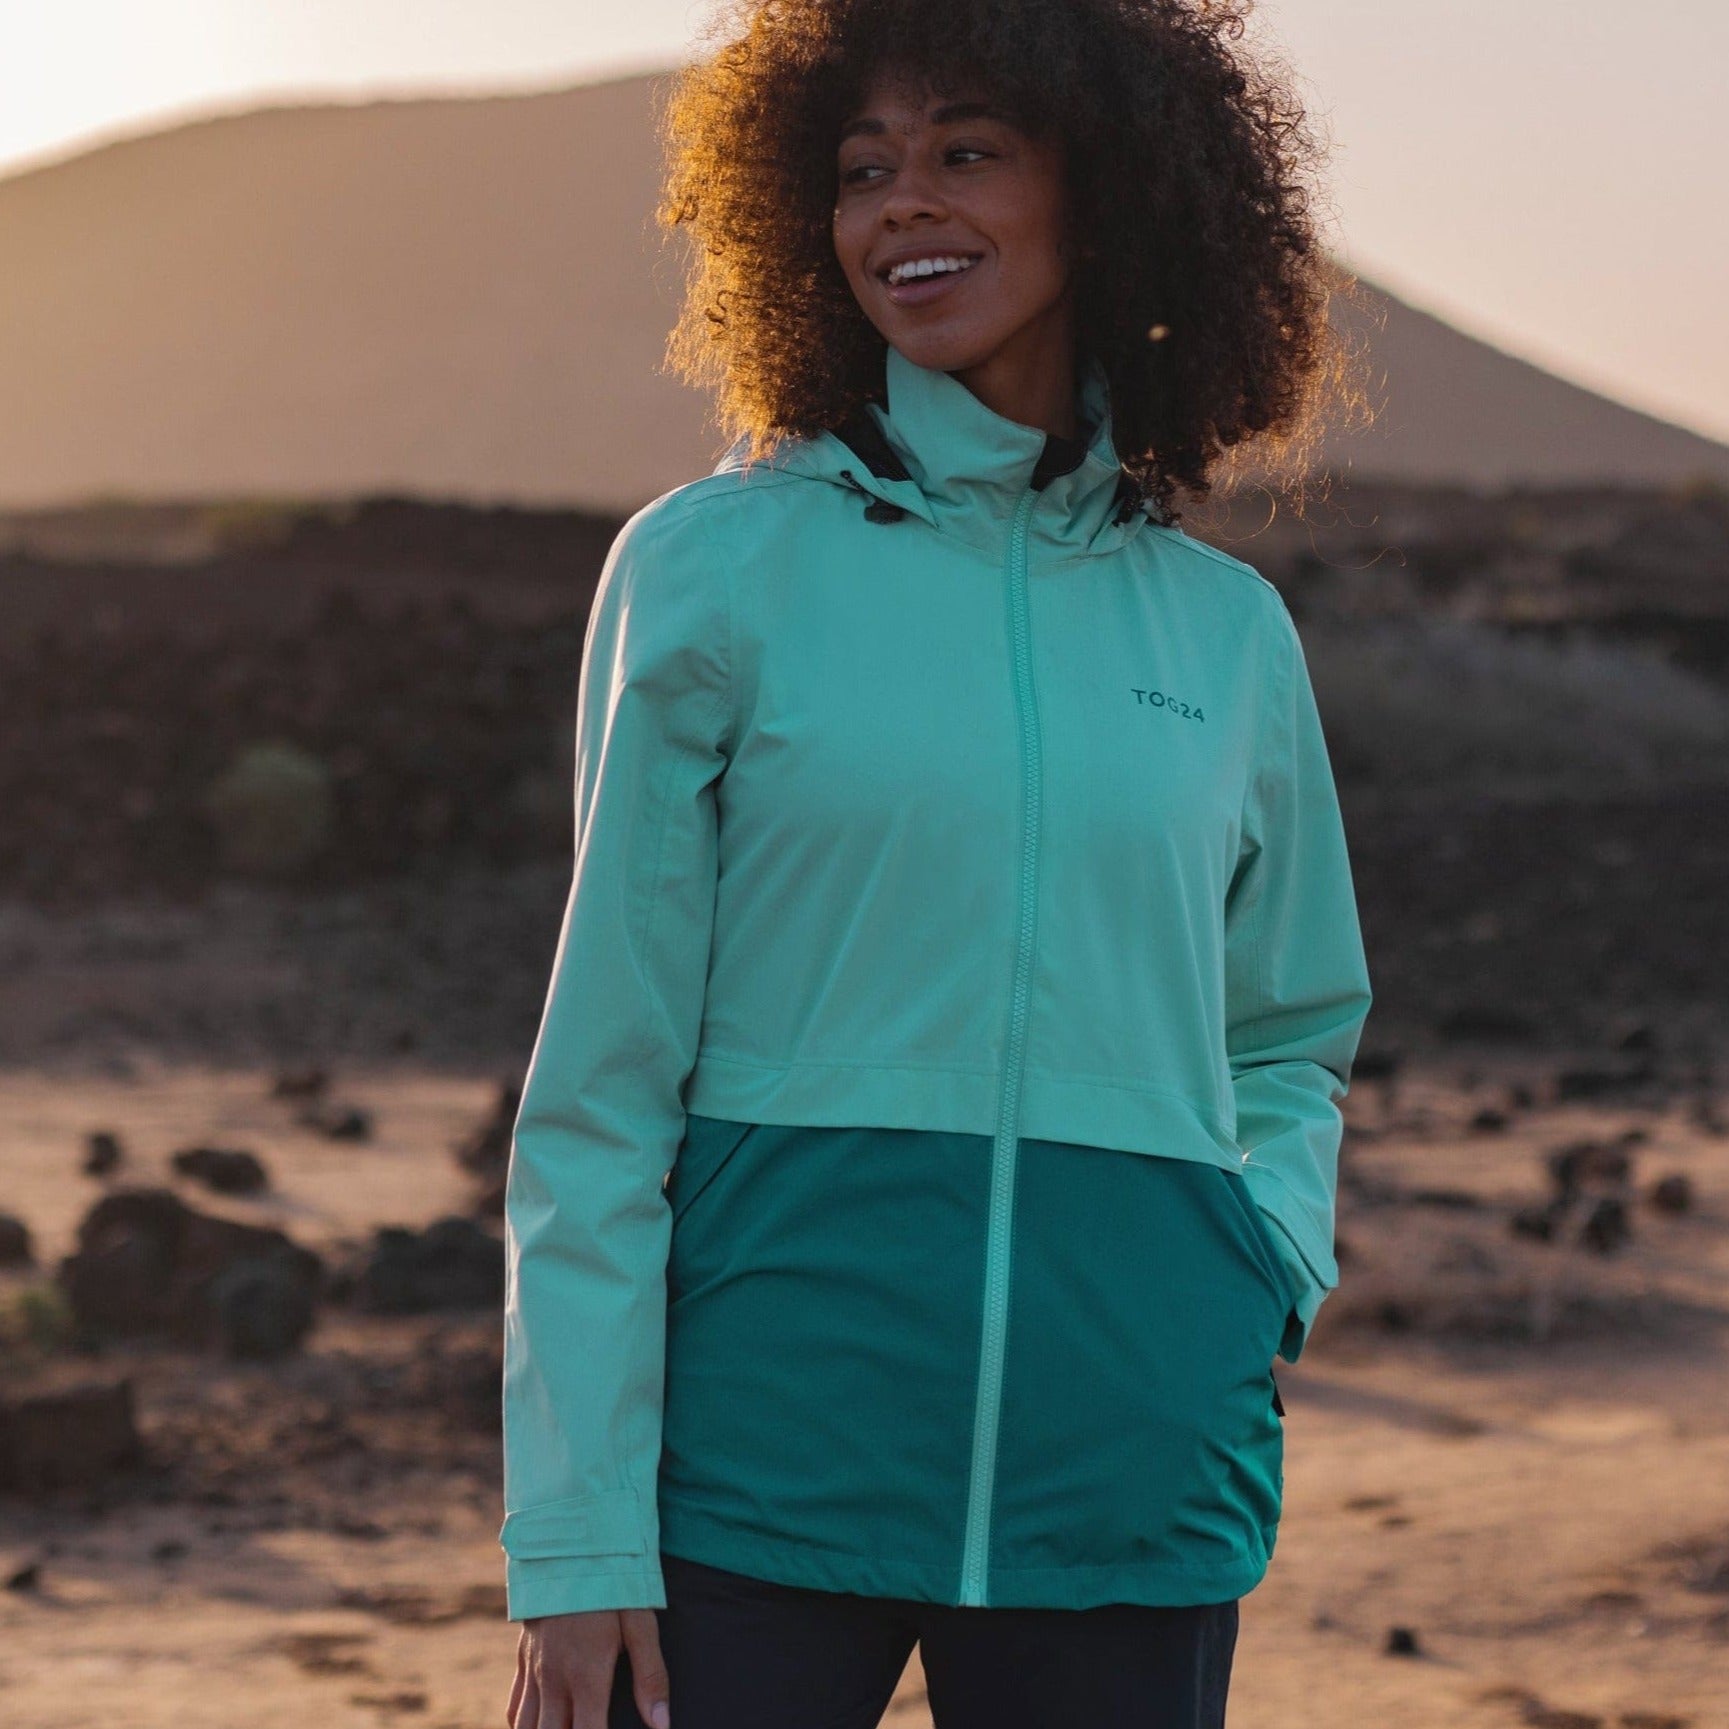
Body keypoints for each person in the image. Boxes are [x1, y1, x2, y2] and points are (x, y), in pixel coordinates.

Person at [502, 1, 1375, 1725]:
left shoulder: (1226, 633)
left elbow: (1290, 1029)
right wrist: (577, 1530)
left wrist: (1252, 1262)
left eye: (967, 150)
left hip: (1127, 1480)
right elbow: (599, 1087)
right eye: (861, 169)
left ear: (1107, 189)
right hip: (752, 1484)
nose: (903, 202)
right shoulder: (714, 569)